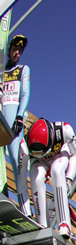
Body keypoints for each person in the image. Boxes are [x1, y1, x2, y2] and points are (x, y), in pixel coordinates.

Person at [19, 118, 76, 237]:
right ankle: (42, 224)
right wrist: (26, 214)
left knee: (57, 171)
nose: (46, 156)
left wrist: (69, 178)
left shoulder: (64, 130)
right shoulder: (23, 147)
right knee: (36, 178)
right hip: (38, 162)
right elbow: (21, 182)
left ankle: (64, 224)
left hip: (60, 154)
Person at [3, 34, 30, 204]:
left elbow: (25, 94)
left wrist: (19, 116)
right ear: (9, 49)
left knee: (16, 161)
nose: (17, 53)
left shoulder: (22, 69)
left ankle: (24, 208)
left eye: (20, 50)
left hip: (13, 124)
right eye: (15, 49)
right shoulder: (1, 71)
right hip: (1, 120)